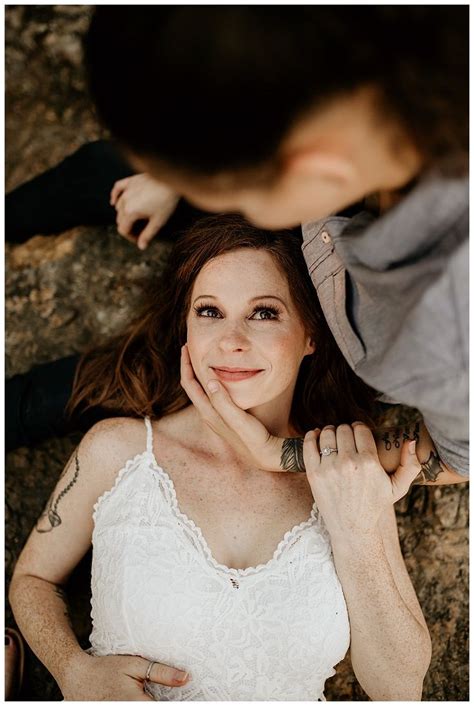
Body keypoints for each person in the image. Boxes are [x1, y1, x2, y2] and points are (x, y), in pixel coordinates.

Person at [9, 215, 431, 701]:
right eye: (209, 311)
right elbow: (33, 578)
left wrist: (358, 529)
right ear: (186, 329)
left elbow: (400, 689)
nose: (232, 339)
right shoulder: (119, 450)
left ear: (311, 336)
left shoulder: (345, 470)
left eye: (264, 313)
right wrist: (71, 669)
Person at [81, 5, 468, 483]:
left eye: (234, 194)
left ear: (312, 170)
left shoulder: (445, 343)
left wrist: (281, 453)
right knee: (94, 175)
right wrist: (187, 167)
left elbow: (457, 456)